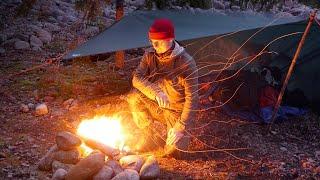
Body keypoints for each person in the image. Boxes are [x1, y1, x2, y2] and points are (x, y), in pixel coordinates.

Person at [127, 18, 199, 157]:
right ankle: (149, 136)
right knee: (134, 96)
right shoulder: (150, 55)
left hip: (176, 113)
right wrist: (156, 92)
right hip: (158, 105)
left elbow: (193, 99)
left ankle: (173, 134)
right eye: (152, 41)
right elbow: (136, 78)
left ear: (171, 38)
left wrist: (181, 126)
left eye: (158, 42)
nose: (154, 46)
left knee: (176, 154)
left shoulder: (186, 63)